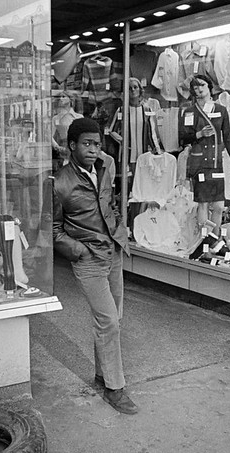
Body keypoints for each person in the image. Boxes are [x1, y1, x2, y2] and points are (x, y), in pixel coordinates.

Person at [51, 117, 138, 415]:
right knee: (109, 321)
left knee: (114, 319)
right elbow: (52, 229)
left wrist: (119, 231)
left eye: (97, 144)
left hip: (112, 251)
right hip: (88, 259)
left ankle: (103, 375)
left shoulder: (103, 170)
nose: (92, 150)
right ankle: (115, 388)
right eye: (86, 144)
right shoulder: (60, 183)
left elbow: (110, 204)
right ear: (72, 146)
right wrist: (78, 251)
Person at [179, 74, 230, 238]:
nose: (199, 89)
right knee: (203, 204)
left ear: (209, 87)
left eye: (202, 85)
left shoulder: (221, 110)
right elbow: (183, 138)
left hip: (216, 162)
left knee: (219, 205)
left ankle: (215, 239)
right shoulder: (190, 112)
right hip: (199, 163)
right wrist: (199, 134)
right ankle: (204, 242)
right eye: (195, 87)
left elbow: (227, 136)